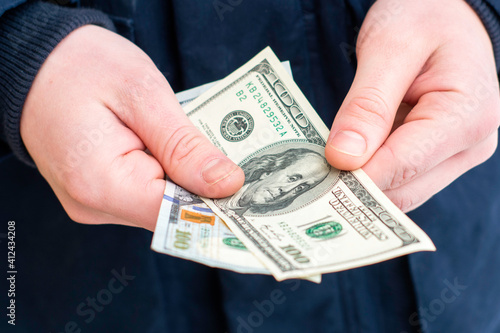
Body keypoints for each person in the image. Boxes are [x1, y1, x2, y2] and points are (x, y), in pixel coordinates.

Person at [1, 0, 500, 332]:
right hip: (88, 278)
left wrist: (479, 11)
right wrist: (19, 48)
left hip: (448, 265)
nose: (289, 187)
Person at [223, 147, 331, 215]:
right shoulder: (224, 179)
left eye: (300, 188)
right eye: (292, 179)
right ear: (269, 171)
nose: (286, 190)